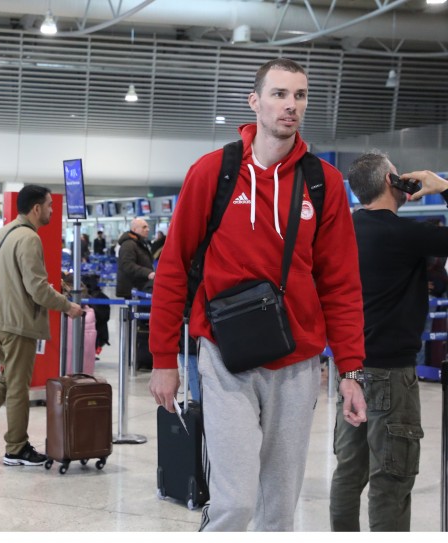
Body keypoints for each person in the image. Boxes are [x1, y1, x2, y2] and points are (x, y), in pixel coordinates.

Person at [148, 58, 367, 531]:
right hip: (226, 355)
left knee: (279, 509)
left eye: (300, 95)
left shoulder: (323, 183)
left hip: (298, 361)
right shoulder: (215, 172)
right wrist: (164, 358)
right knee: (235, 503)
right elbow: (173, 267)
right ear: (255, 101)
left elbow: (341, 283)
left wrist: (350, 369)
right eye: (279, 94)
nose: (291, 105)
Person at [329, 157, 448, 531]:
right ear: (389, 180)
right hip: (392, 374)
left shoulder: (344, 230)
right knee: (391, 480)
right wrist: (444, 187)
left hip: (351, 370)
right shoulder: (405, 234)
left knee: (348, 473)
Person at [0, 185, 84, 465]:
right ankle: (17, 448)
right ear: (36, 208)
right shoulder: (29, 238)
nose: (52, 210)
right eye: (49, 205)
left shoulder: (5, 232)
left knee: (7, 380)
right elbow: (36, 289)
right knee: (18, 388)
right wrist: (67, 305)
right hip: (18, 323)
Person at [115, 217, 155, 298]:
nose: (147, 229)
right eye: (144, 227)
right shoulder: (128, 244)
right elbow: (127, 265)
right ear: (134, 229)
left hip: (141, 285)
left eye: (147, 227)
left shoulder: (140, 243)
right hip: (133, 288)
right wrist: (148, 273)